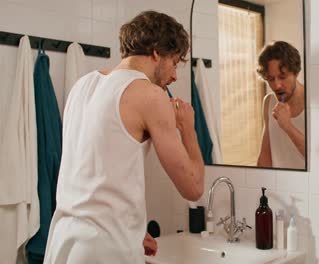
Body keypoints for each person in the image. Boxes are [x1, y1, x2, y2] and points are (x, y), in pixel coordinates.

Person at [43, 10, 204, 263]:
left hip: (64, 242)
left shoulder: (82, 86)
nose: (174, 75)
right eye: (174, 62)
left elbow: (93, 175)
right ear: (156, 52)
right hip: (106, 249)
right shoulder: (150, 95)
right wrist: (188, 129)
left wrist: (134, 231)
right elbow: (193, 188)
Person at [256, 41, 305, 169]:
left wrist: (288, 126)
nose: (277, 85)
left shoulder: (312, 102)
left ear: (296, 72)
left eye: (282, 77)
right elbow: (265, 156)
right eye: (271, 79)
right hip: (278, 185)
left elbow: (318, 157)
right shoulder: (269, 102)